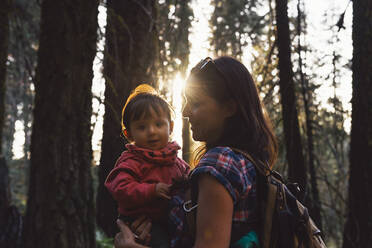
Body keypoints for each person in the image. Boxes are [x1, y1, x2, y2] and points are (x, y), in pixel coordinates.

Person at [113, 56, 278, 248]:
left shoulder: (220, 163)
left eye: (196, 103)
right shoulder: (247, 161)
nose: (184, 111)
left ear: (229, 108)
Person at [105, 84, 190, 248]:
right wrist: (151, 190)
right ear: (129, 134)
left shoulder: (174, 159)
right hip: (142, 223)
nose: (151, 131)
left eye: (159, 124)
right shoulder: (132, 160)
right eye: (142, 127)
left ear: (170, 127)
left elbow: (189, 177)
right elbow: (119, 187)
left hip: (172, 217)